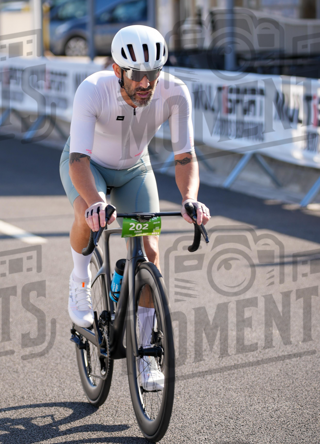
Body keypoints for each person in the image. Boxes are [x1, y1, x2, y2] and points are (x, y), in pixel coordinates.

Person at [60, 24, 211, 391]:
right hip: (89, 167)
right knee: (87, 216)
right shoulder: (93, 90)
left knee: (149, 252)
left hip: (134, 170)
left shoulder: (175, 93)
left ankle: (145, 356)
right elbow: (78, 160)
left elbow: (185, 157)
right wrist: (96, 203)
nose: (146, 83)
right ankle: (79, 279)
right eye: (136, 75)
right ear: (117, 70)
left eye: (153, 74)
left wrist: (189, 198)